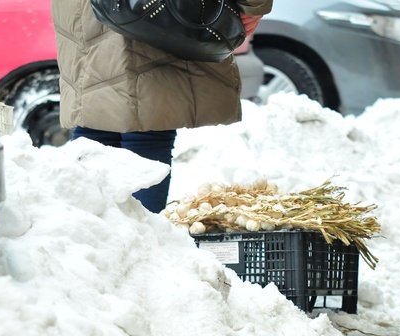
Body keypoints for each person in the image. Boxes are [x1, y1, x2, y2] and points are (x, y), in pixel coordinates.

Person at [51, 0, 272, 214]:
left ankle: (94, 243)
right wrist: (253, 6)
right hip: (146, 11)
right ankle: (142, 245)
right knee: (144, 126)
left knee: (97, 123)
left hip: (83, 11)